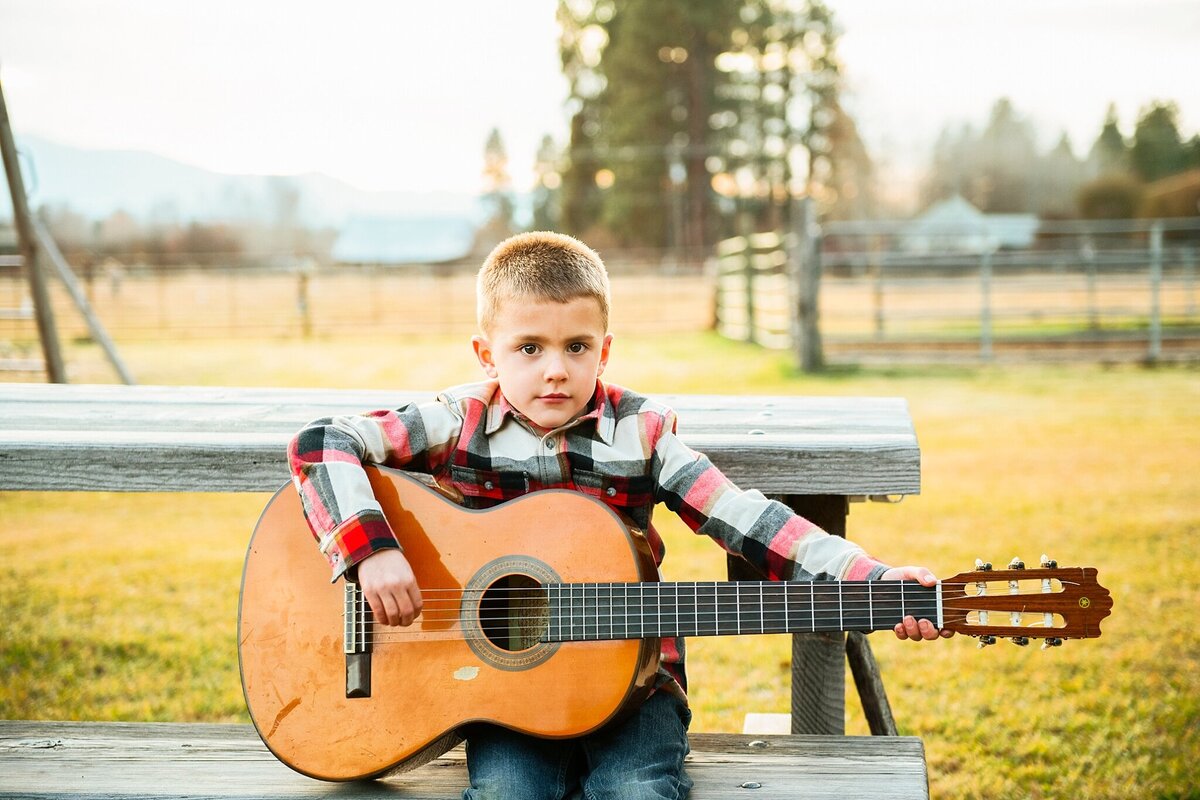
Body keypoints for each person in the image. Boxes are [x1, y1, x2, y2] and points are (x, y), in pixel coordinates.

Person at [288, 231, 950, 800]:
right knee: (505, 792)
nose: (556, 371)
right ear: (485, 354)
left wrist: (871, 579)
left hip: (637, 685)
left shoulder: (643, 434)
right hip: (500, 691)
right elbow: (321, 444)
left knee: (635, 791)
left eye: (577, 346)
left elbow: (748, 519)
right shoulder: (455, 421)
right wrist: (372, 552)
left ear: (605, 351)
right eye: (529, 348)